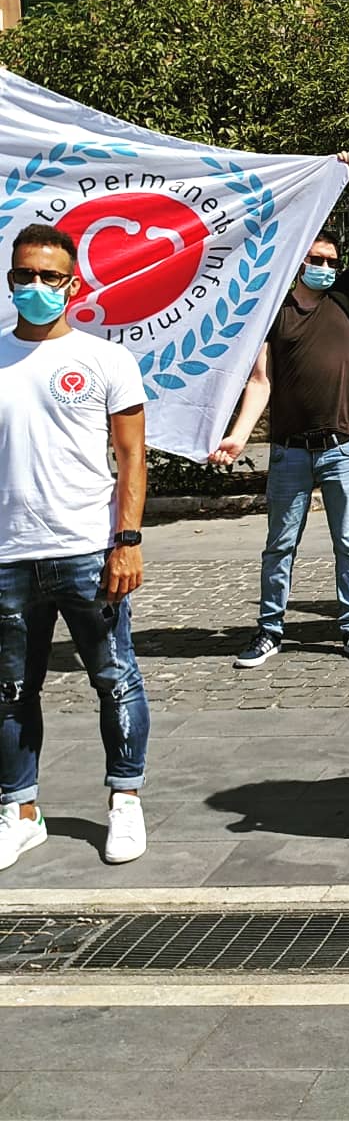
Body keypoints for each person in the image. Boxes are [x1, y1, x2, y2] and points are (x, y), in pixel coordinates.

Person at [0, 223, 149, 870]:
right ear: (10, 281)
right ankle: (20, 810)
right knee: (10, 691)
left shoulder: (105, 360)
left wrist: (128, 540)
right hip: (8, 557)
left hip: (89, 550)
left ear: (73, 284)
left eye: (48, 277)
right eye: (24, 276)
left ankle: (124, 800)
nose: (35, 287)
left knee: (114, 681)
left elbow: (132, 456)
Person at [209, 152, 349, 668]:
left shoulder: (347, 300)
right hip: (289, 451)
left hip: (343, 448)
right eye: (316, 259)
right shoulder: (275, 310)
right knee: (278, 546)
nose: (325, 268)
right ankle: (269, 629)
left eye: (331, 261)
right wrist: (241, 435)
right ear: (298, 261)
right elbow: (260, 381)